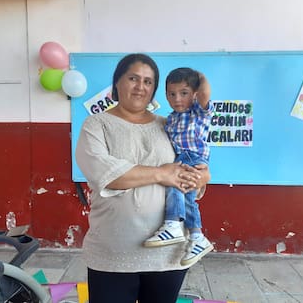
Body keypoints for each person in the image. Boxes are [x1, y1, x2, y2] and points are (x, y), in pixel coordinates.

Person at [75, 54, 210, 303]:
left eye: (148, 82)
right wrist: (162, 173)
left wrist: (202, 176)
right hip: (113, 252)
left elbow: (192, 165)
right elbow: (104, 173)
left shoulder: (168, 125)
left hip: (167, 255)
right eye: (133, 78)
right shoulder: (96, 125)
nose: (140, 87)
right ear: (117, 82)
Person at [144, 67, 214, 266]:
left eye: (184, 93)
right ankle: (197, 237)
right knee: (189, 199)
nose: (177, 99)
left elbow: (206, 93)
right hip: (183, 156)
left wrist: (199, 76)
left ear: (194, 94)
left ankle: (173, 223)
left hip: (193, 157)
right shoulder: (172, 117)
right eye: (171, 94)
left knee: (174, 184)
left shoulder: (197, 112)